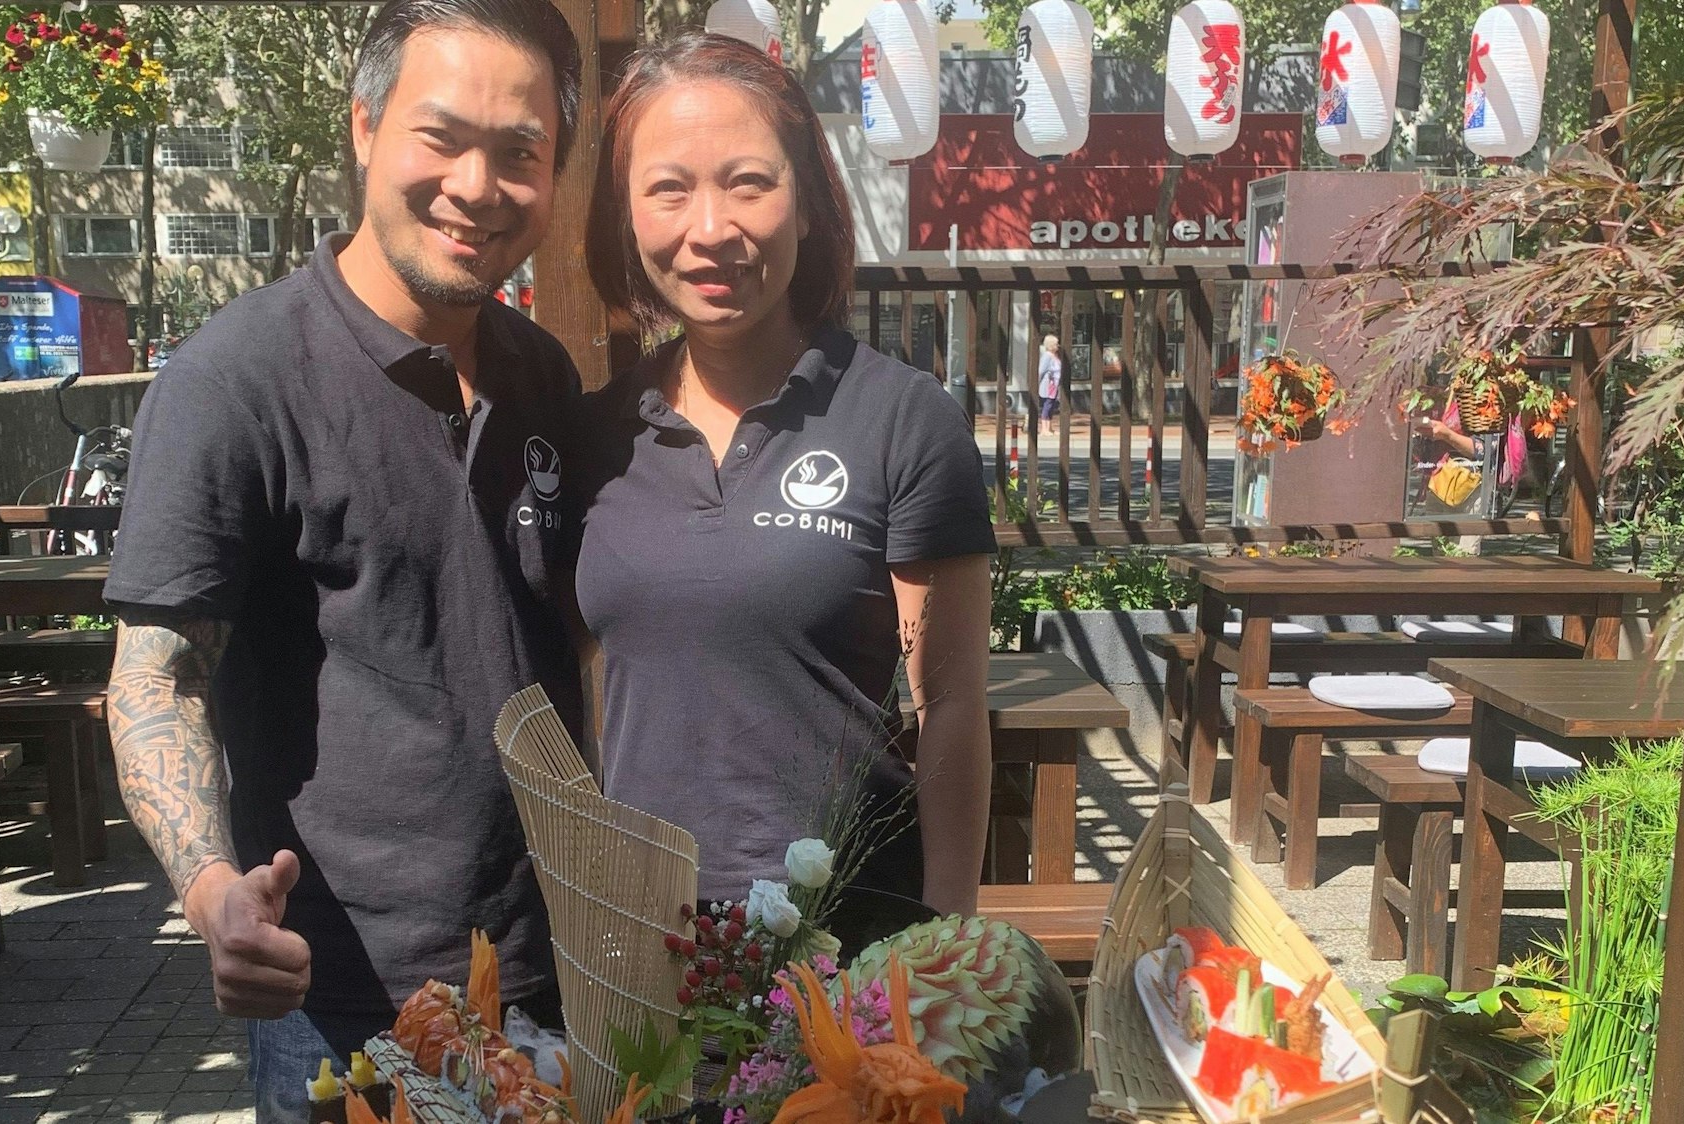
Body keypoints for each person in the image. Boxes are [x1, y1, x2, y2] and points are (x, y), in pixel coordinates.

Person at [102, 2, 585, 1118]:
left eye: (522, 154)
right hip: (348, 999)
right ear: (364, 127)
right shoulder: (238, 377)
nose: (477, 184)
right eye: (442, 136)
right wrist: (214, 888)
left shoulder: (541, 374)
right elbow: (151, 676)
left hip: (555, 967)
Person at [574, 33, 994, 917]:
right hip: (644, 950)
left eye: (748, 181)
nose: (710, 228)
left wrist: (947, 931)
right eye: (668, 189)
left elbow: (949, 701)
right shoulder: (592, 437)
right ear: (626, 218)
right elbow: (586, 688)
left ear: (806, 204)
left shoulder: (903, 420)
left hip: (851, 945)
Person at [1037, 334, 1062, 436]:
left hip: (1054, 384)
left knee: (1051, 405)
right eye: (1056, 344)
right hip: (1048, 384)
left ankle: (1050, 427)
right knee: (1047, 405)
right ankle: (1044, 428)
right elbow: (1041, 370)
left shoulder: (1054, 356)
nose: (1058, 346)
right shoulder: (1047, 356)